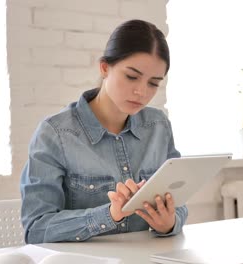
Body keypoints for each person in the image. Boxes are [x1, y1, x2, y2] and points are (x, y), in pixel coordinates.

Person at [20, 19, 188, 243]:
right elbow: (36, 229)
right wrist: (110, 214)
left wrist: (169, 224)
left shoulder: (158, 126)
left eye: (154, 83)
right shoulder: (55, 134)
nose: (141, 92)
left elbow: (178, 202)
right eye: (131, 76)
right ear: (104, 67)